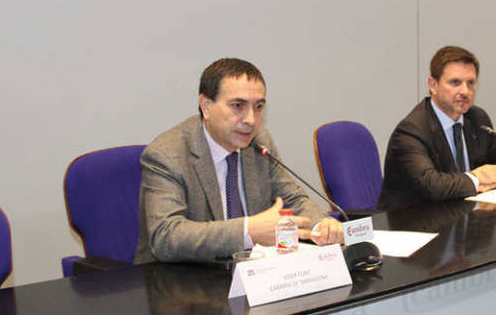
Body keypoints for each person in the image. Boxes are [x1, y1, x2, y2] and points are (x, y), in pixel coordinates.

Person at [134, 58, 344, 265]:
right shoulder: (167, 155)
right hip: (184, 282)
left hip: (254, 275)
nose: (251, 120)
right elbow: (165, 236)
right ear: (206, 106)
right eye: (238, 105)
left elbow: (292, 199)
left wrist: (321, 225)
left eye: (258, 106)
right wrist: (247, 232)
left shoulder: (259, 142)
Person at [378, 46, 496, 211]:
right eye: (455, 82)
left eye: (471, 83)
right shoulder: (411, 131)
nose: (465, 91)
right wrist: (477, 178)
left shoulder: (476, 119)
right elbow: (432, 185)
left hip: (461, 218)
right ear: (433, 85)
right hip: (412, 224)